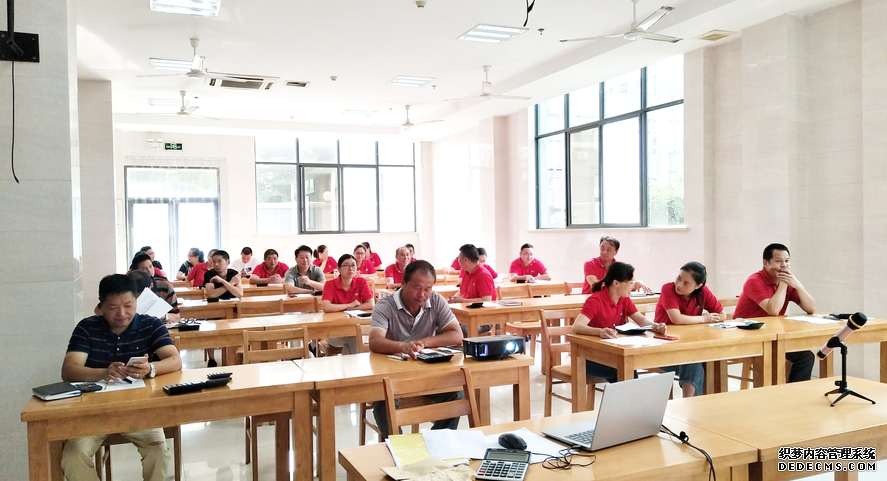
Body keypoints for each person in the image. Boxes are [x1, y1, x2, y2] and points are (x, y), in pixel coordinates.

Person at [61, 274, 182, 481]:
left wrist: (150, 368)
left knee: (158, 452)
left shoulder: (150, 324)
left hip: (139, 409)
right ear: (101, 306)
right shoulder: (87, 328)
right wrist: (102, 373)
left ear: (137, 301)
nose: (122, 314)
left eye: (128, 305)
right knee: (73, 456)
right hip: (93, 411)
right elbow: (69, 370)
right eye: (112, 307)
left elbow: (175, 360)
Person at [369, 260, 464, 440]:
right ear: (403, 283)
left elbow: (457, 335)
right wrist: (402, 346)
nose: (422, 294)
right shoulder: (385, 305)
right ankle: (401, 447)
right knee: (383, 405)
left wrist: (424, 342)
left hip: (426, 372)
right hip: (392, 374)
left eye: (428, 289)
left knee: (457, 396)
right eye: (416, 288)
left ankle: (434, 443)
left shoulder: (436, 301)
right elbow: (375, 341)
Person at [734, 243, 816, 383]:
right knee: (774, 358)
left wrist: (798, 285)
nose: (783, 266)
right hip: (747, 335)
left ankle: (796, 393)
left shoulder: (787, 282)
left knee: (806, 357)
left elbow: (811, 308)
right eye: (778, 261)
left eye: (787, 261)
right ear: (765, 263)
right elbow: (773, 310)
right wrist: (784, 283)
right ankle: (773, 394)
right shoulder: (754, 281)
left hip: (772, 336)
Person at [572, 262, 667, 382]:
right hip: (589, 358)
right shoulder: (596, 300)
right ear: (616, 283)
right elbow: (576, 327)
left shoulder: (624, 299)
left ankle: (629, 394)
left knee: (628, 367)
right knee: (626, 368)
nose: (632, 286)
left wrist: (655, 326)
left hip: (613, 354)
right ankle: (631, 394)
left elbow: (641, 320)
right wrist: (600, 332)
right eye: (630, 282)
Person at [653, 262, 725, 397]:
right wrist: (704, 318)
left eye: (686, 283)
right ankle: (692, 403)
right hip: (664, 349)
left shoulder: (703, 292)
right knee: (693, 360)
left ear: (698, 286)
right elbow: (677, 319)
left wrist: (707, 318)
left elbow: (722, 315)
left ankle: (692, 403)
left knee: (702, 360)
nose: (679, 285)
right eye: (678, 278)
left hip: (689, 346)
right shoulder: (668, 289)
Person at [321, 254, 375, 354]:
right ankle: (351, 363)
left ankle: (348, 363)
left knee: (354, 336)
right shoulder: (330, 284)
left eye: (353, 265)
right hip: (333, 331)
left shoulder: (361, 282)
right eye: (346, 265)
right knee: (354, 337)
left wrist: (351, 309)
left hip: (354, 326)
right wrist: (349, 305)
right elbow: (326, 307)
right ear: (339, 269)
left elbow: (371, 304)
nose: (350, 268)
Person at [582, 236, 651, 294]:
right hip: (590, 299)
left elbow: (623, 285)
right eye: (602, 249)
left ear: (616, 252)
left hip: (611, 300)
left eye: (609, 250)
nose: (604, 252)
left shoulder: (618, 267)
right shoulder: (590, 264)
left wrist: (636, 284)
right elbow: (595, 285)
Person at [129, 252, 181, 322]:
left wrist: (164, 316)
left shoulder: (165, 285)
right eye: (144, 269)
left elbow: (176, 316)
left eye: (151, 266)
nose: (149, 271)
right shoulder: (129, 288)